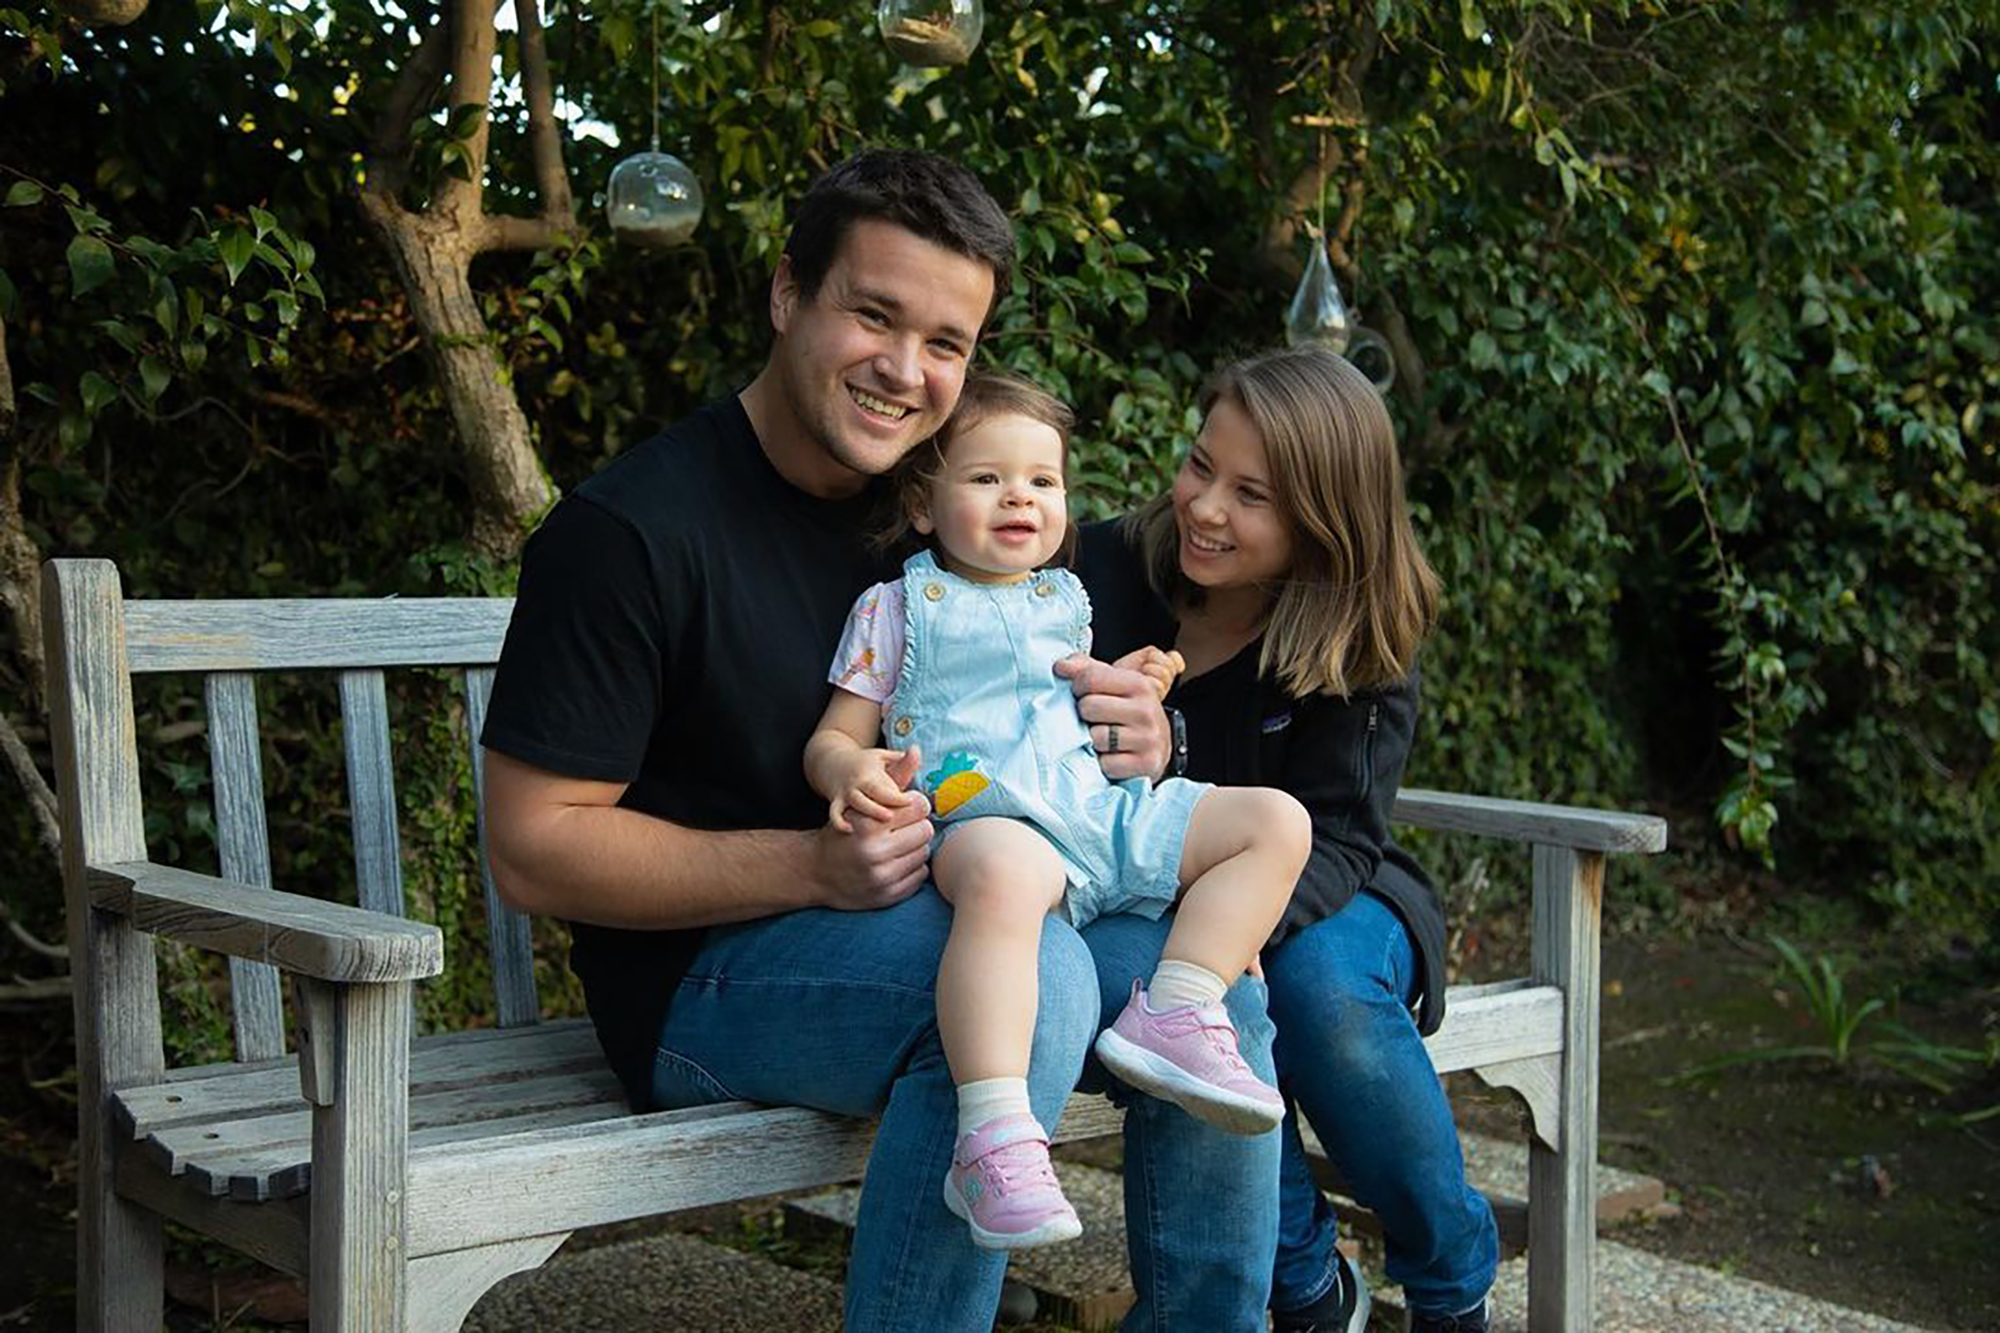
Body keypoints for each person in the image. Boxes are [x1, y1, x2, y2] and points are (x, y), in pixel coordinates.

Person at [479, 148, 1282, 1332]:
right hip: (704, 976)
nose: (906, 371)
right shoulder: (630, 535)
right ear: (787, 293)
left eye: (946, 343)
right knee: (1047, 979)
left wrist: (1135, 731)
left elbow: (1088, 659)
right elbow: (531, 850)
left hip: (956, 892)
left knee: (1212, 977)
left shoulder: (947, 496)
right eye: (873, 315)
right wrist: (806, 863)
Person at [806, 371, 1307, 1249]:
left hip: (1097, 817)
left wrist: (1136, 685)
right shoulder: (896, 608)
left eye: (1043, 481)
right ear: (923, 503)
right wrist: (851, 769)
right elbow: (833, 735)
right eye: (987, 478)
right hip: (986, 821)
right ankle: (994, 1132)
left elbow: (1078, 715)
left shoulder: (1067, 601)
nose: (1020, 498)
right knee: (1005, 875)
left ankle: (1181, 1005)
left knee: (1275, 821)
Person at [1075, 344, 1500, 1333]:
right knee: (1196, 999)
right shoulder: (1100, 567)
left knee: (1308, 994)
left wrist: (1242, 938)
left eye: (1251, 495)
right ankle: (1305, 1284)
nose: (1204, 506)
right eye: (1198, 465)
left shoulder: (1360, 636)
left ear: (1322, 518)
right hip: (1144, 891)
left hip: (1336, 894)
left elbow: (1345, 838)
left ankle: (1447, 1285)